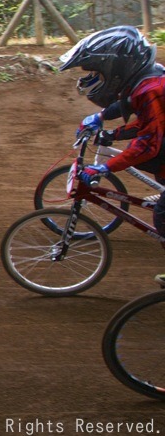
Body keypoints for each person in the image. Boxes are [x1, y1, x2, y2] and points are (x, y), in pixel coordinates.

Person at [60, 25, 165, 284]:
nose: (92, 79)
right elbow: (150, 123)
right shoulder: (148, 82)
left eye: (97, 73)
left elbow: (148, 143)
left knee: (162, 214)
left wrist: (105, 168)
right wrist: (111, 131)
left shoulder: (149, 89)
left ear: (116, 68)